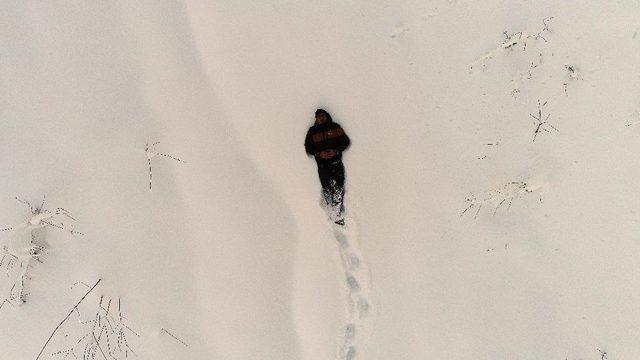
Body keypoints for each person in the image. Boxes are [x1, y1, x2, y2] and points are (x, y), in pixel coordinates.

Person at [304, 109, 351, 224]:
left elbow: (345, 142)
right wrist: (319, 153)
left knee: (339, 188)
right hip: (322, 166)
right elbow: (308, 148)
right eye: (319, 116)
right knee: (327, 189)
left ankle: (338, 216)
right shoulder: (312, 131)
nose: (321, 118)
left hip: (336, 163)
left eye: (323, 116)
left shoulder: (335, 127)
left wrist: (335, 151)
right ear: (316, 119)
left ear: (327, 116)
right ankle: (330, 213)